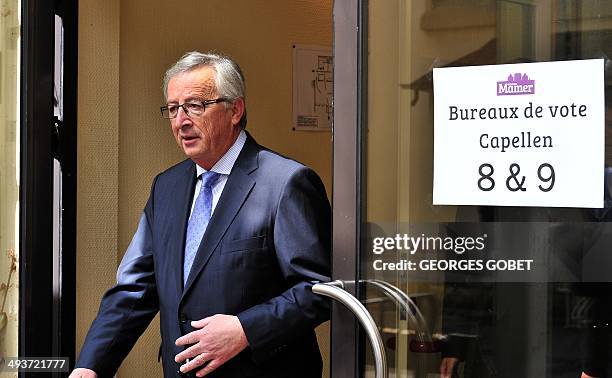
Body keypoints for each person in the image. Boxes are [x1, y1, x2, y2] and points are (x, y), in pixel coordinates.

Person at [70, 51, 331, 378]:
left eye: (194, 105)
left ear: (235, 110)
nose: (181, 121)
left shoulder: (285, 183)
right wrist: (90, 365)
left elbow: (319, 289)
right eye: (173, 109)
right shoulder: (166, 187)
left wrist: (244, 329)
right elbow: (134, 290)